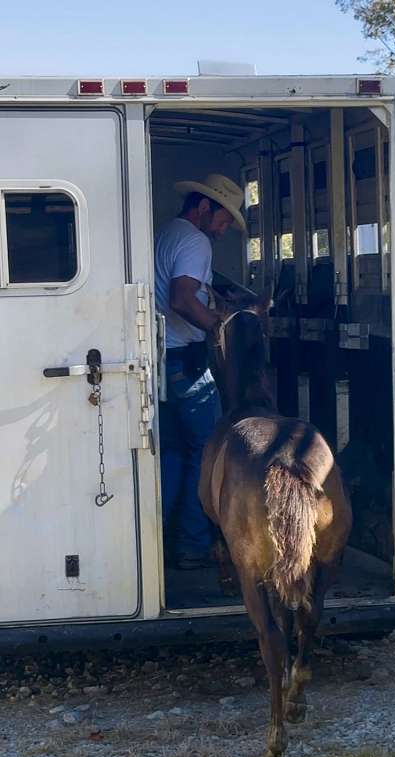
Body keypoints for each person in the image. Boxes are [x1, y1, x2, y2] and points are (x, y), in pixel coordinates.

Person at [154, 174, 246, 569]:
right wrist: (218, 327)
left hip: (161, 361)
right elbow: (181, 298)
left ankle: (162, 537)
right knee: (208, 452)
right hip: (185, 363)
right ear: (204, 207)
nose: (225, 228)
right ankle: (192, 543)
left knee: (172, 454)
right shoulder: (195, 240)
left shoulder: (167, 233)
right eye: (225, 218)